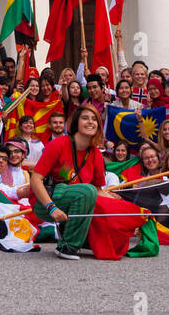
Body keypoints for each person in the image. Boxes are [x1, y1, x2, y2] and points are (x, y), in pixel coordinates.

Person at [29, 105, 110, 260]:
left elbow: (99, 190)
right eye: (85, 118)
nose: (90, 122)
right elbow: (35, 179)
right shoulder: (59, 144)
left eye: (94, 119)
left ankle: (78, 236)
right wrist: (51, 208)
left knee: (98, 198)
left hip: (75, 201)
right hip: (45, 202)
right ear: (75, 123)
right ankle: (67, 246)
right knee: (88, 191)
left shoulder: (95, 154)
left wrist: (124, 205)